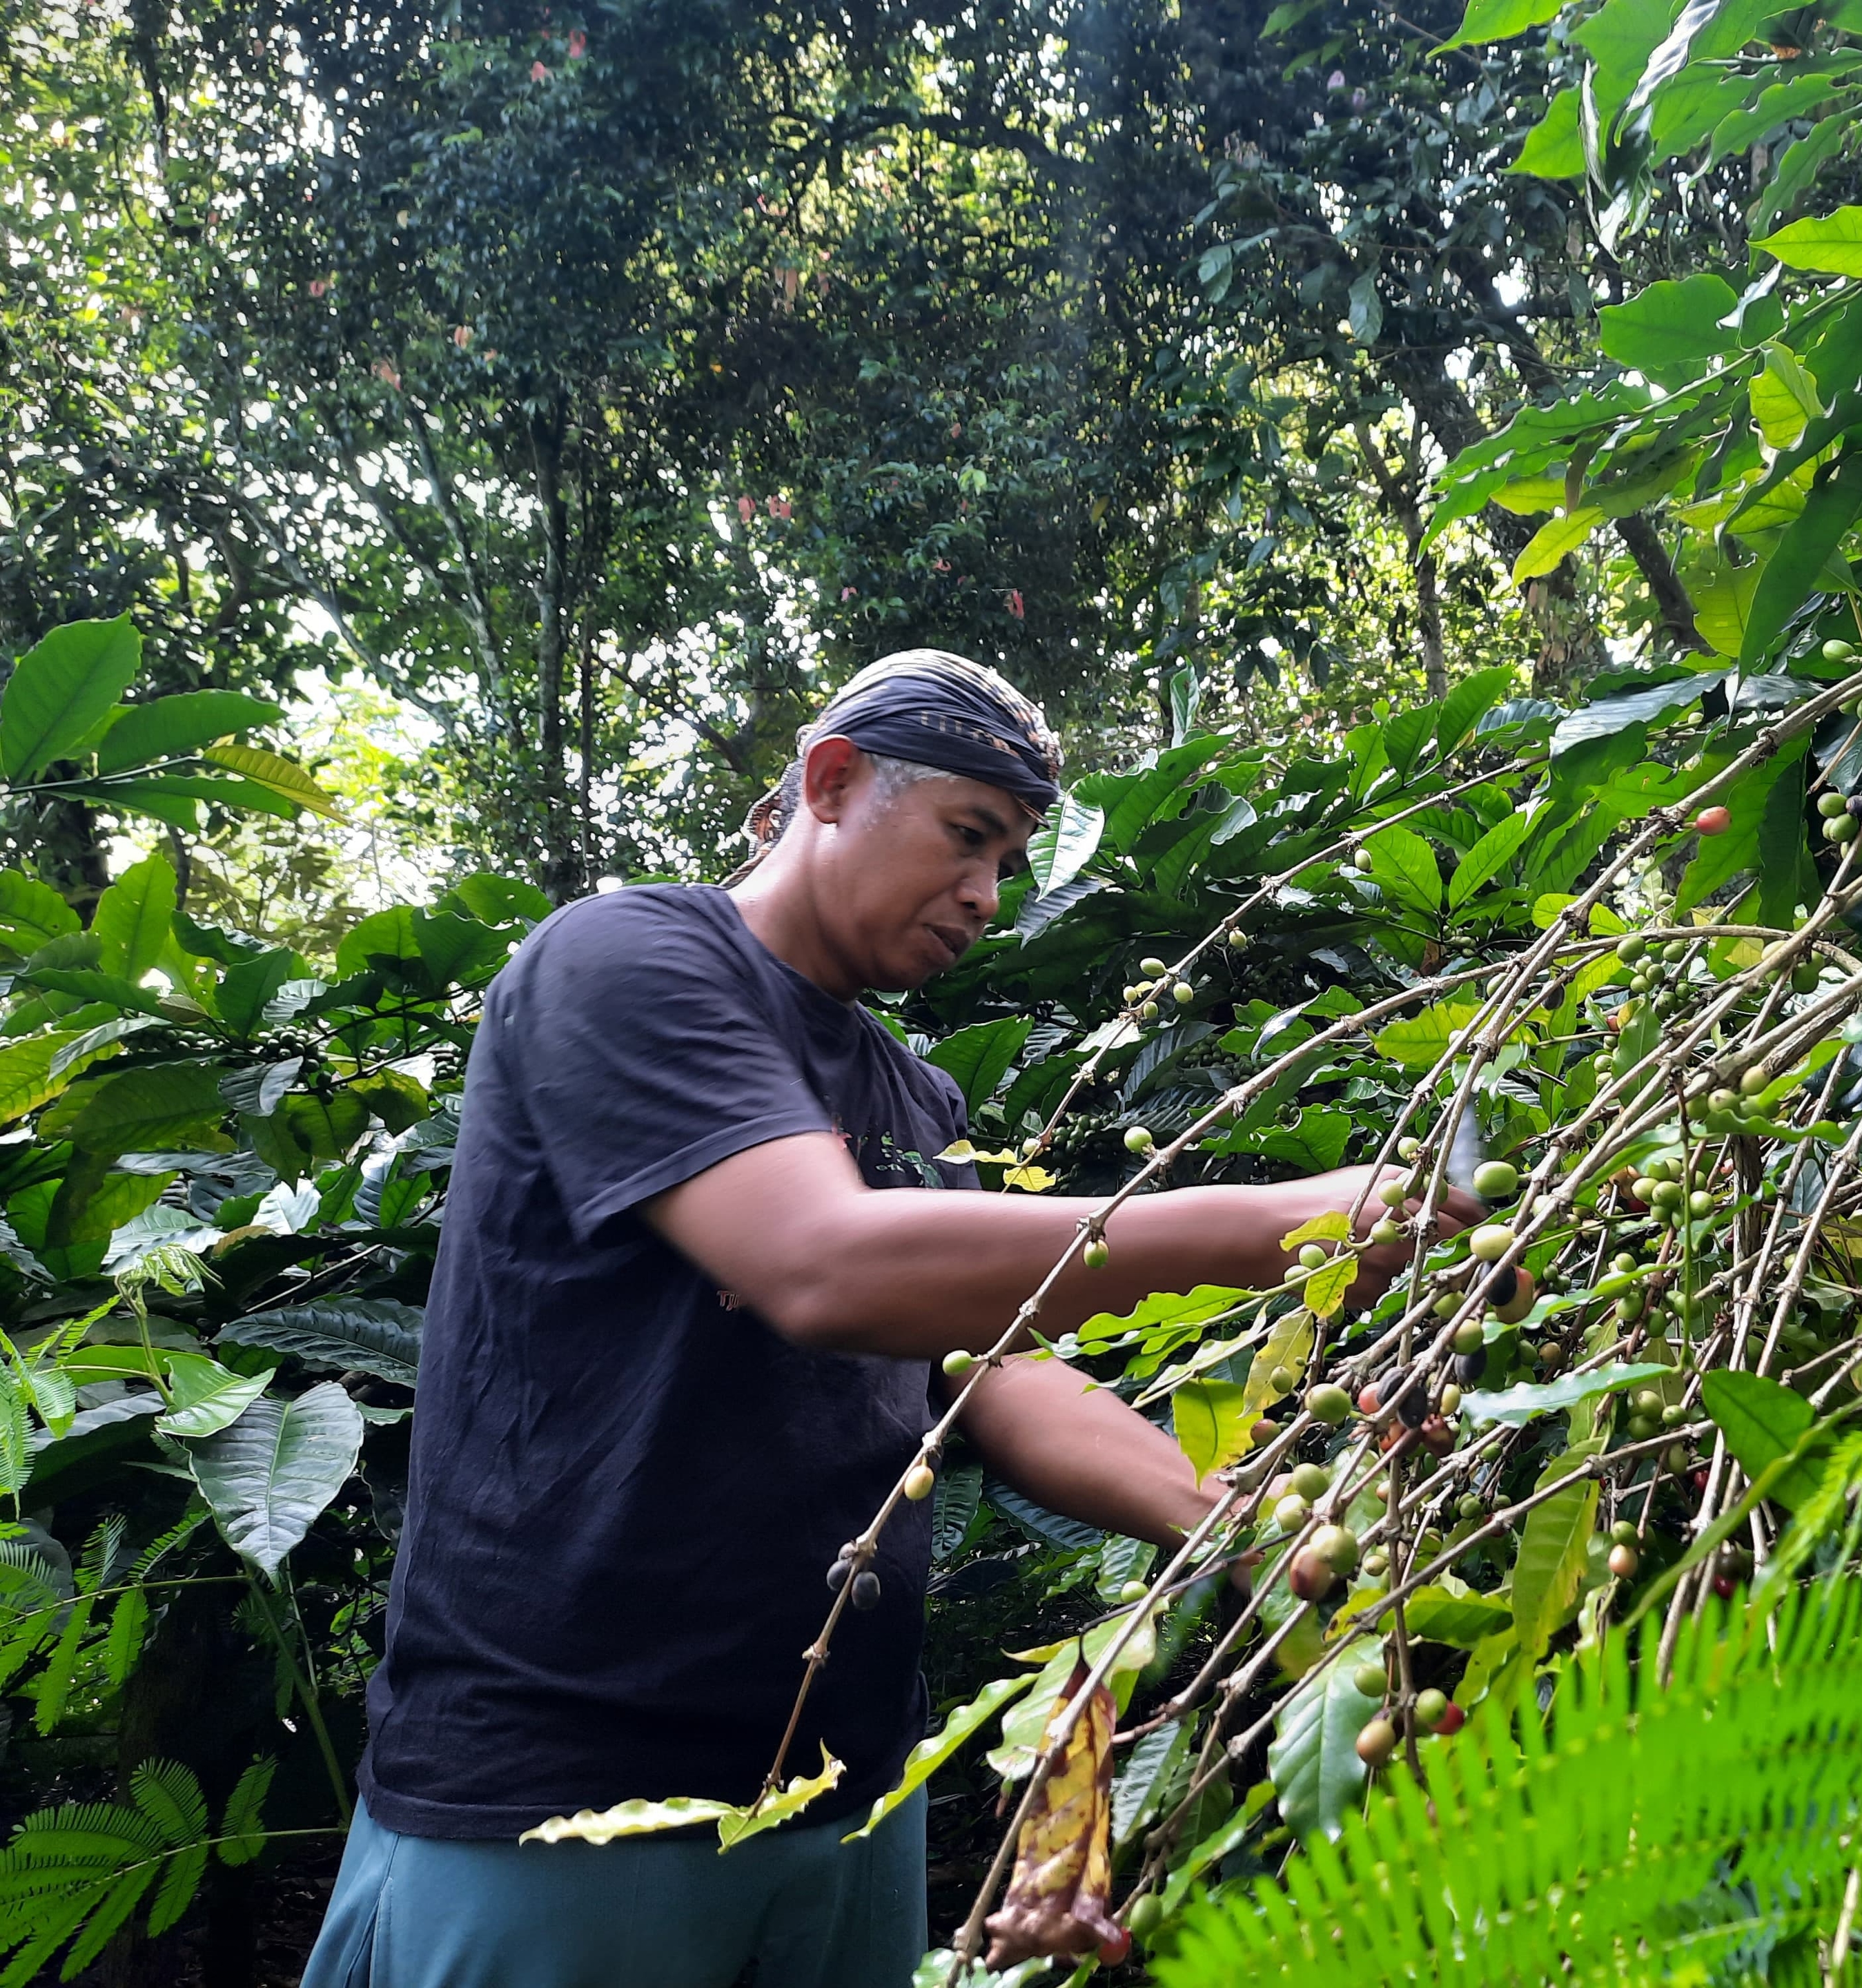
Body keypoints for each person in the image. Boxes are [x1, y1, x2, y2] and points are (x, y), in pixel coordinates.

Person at [301, 650, 1462, 1988]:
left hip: (849, 1787)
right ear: (832, 782)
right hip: (563, 1801)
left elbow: (992, 1373)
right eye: (968, 836)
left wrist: (1238, 1522)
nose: (988, 895)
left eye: (1010, 862)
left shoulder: (915, 1099)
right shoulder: (624, 961)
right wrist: (1287, 1224)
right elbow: (821, 1264)